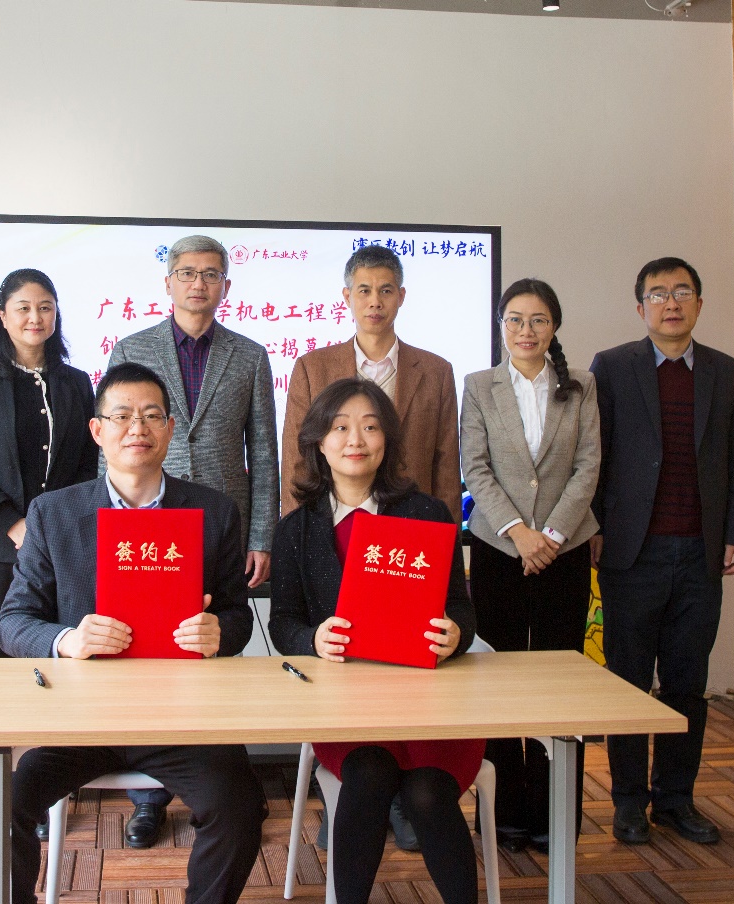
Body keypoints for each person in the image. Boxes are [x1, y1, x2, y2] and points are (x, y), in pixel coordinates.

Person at [0, 361, 266, 904]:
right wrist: (67, 640)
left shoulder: (214, 512)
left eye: (153, 415)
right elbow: (12, 622)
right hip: (82, 722)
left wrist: (218, 633)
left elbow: (237, 616)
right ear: (97, 430)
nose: (138, 428)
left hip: (181, 721)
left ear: (171, 428)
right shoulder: (53, 514)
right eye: (123, 416)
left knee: (240, 805)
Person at [269, 377, 481, 904]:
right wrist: (313, 639)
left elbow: (461, 610)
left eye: (369, 426)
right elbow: (283, 623)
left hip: (429, 704)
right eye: (340, 427)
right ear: (319, 441)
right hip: (348, 707)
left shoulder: (427, 514)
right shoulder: (295, 530)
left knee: (427, 791)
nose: (355, 440)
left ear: (387, 438)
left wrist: (454, 634)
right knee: (368, 776)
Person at [105, 234, 278, 846]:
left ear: (226, 284)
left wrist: (262, 533)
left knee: (212, 644)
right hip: (147, 522)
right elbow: (115, 440)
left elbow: (264, 451)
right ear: (169, 282)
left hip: (221, 526)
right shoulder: (134, 348)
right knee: (149, 648)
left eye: (210, 274)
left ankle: (221, 776)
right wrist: (113, 526)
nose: (198, 283)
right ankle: (148, 794)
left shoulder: (250, 355)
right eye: (187, 273)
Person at [590, 257, 734, 846]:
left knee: (687, 682)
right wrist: (594, 527)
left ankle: (676, 799)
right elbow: (594, 455)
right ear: (641, 308)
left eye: (682, 291)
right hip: (631, 551)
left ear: (699, 304)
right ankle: (628, 801)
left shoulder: (728, 373)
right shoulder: (612, 367)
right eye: (658, 294)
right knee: (628, 680)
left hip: (701, 552)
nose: (671, 302)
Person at [460, 278, 600, 853]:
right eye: (515, 320)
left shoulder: (581, 385)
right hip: (498, 551)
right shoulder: (479, 385)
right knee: (497, 680)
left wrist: (553, 536)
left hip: (565, 554)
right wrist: (519, 534)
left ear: (554, 327)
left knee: (559, 683)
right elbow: (475, 466)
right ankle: (505, 813)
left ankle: (554, 813)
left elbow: (588, 465)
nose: (526, 330)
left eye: (538, 320)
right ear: (501, 326)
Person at [0, 268, 98, 659]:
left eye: (45, 308)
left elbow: (88, 462)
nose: (35, 317)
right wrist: (12, 523)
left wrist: (59, 524)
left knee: (60, 648)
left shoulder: (77, 382)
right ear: (3, 315)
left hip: (60, 543)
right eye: (24, 308)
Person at [281, 244, 461, 521]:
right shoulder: (312, 368)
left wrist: (447, 538)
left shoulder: (437, 372)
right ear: (347, 296)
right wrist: (294, 533)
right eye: (364, 290)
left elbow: (446, 465)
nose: (375, 302)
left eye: (386, 291)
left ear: (401, 296)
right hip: (331, 524)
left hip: (412, 525)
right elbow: (296, 460)